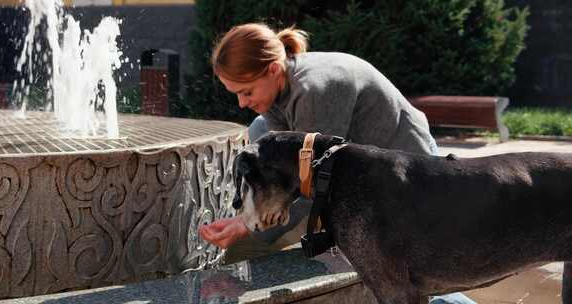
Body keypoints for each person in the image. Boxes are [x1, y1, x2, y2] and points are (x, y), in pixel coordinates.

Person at [198, 23, 476, 304]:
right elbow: (283, 169)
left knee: (416, 274)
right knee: (260, 131)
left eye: (246, 92)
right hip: (370, 172)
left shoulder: (316, 90)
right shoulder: (277, 89)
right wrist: (250, 218)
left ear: (271, 69)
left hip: (410, 169)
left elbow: (317, 187)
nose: (241, 103)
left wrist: (249, 224)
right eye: (235, 93)